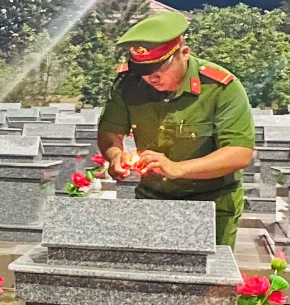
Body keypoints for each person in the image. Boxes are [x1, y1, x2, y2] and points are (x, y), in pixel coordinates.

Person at [99, 13, 255, 248]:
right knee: (149, 275)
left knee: (209, 280)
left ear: (184, 53)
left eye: (160, 68)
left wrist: (177, 168)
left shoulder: (221, 88)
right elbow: (110, 130)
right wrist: (115, 156)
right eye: (144, 71)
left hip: (211, 201)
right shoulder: (129, 84)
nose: (152, 78)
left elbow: (239, 153)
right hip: (153, 198)